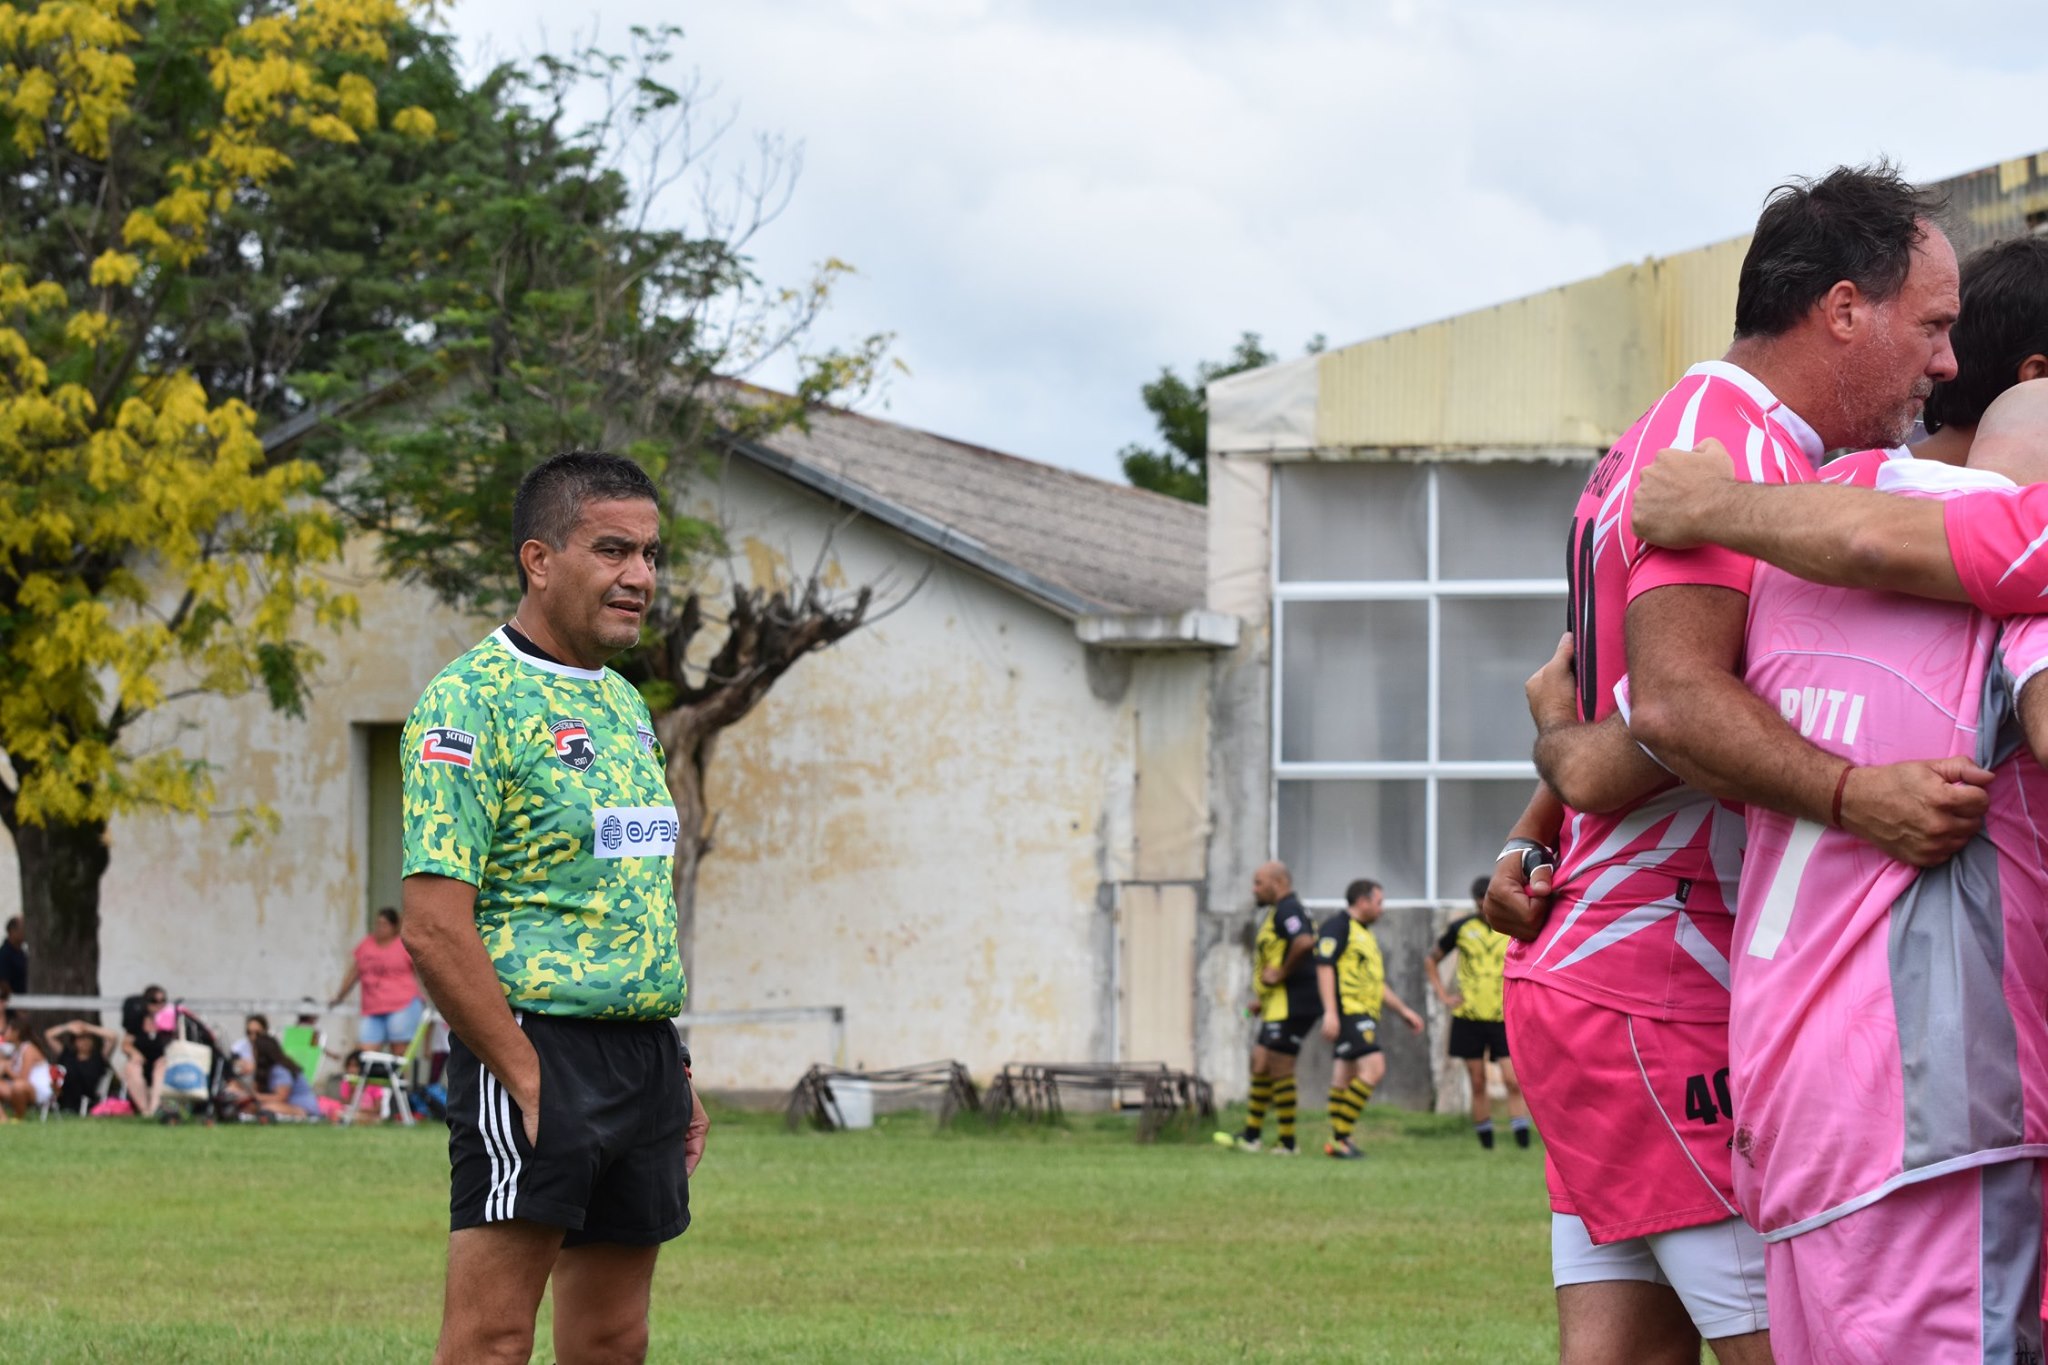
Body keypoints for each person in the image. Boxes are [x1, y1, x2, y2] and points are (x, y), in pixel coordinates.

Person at [1486, 163, 1981, 1365]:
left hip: (1618, 971)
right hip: (1665, 977)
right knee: (1803, 1344)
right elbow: (1672, 702)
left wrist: (1536, 816)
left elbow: (1599, 706)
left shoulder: (1681, 438)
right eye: (1930, 325)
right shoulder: (1724, 449)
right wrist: (1856, 796)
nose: (1943, 363)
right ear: (1843, 309)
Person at [1620, 385, 2048, 1361]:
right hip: (1939, 1114)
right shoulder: (2012, 592)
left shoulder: (1805, 526)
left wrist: (1709, 502)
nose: (1935, 356)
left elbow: (1628, 732)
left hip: (1790, 1102)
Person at [400, 450, 707, 1365]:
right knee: (494, 1339)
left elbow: (629, 897)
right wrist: (526, 1074)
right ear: (539, 559)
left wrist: (672, 1063)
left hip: (643, 1054)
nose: (641, 577)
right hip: (535, 1045)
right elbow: (432, 923)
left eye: (651, 553)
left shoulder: (623, 705)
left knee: (615, 1337)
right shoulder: (470, 702)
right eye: (614, 550)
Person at [1214, 860, 1320, 1154]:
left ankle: (1288, 1143)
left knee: (1278, 1066)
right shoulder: (1280, 912)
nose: (1254, 889)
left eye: (1259, 883)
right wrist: (1262, 999)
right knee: (1259, 1063)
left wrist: (1281, 974)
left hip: (1295, 1003)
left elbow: (1303, 942)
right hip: (1277, 1003)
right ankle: (1251, 1136)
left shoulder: (1288, 909)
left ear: (1278, 883)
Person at [1314, 879, 1423, 1160]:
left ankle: (1341, 1140)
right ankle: (1340, 1137)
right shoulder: (1337, 926)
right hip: (1350, 1012)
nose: (1381, 909)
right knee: (1374, 1068)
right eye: (1379, 902)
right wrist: (1330, 1012)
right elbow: (1324, 967)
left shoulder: (1364, 935)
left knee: (1344, 1077)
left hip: (1362, 1012)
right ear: (1362, 901)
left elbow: (1377, 984)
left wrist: (1404, 1011)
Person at [1427, 876, 1529, 1151]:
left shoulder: (1509, 926)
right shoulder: (1461, 928)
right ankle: (1486, 1142)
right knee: (1477, 1080)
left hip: (1501, 1015)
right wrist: (1443, 995)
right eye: (1479, 901)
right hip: (1469, 1015)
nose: (1484, 906)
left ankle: (1522, 1139)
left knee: (1512, 1079)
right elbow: (1431, 959)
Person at [332, 907, 425, 1055]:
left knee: (398, 1055)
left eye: (384, 924)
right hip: (373, 1008)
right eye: (378, 924)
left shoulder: (403, 944)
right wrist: (339, 996)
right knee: (366, 1055)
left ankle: (398, 1078)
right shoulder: (366, 944)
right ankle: (370, 1079)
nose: (380, 928)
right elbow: (353, 973)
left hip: (402, 1004)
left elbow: (421, 972)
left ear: (394, 927)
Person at [44, 1018, 120, 1116]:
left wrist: (87, 1028)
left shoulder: (99, 1057)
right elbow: (48, 1035)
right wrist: (68, 1027)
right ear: (74, 1042)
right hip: (65, 1092)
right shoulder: (67, 1055)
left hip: (87, 1094)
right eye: (81, 1039)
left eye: (88, 1038)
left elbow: (113, 1036)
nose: (85, 1042)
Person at [119, 985, 172, 1116]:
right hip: (143, 1064)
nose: (159, 1005)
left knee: (162, 1067)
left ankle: (154, 1109)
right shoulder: (137, 1022)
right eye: (154, 1001)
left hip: (162, 1064)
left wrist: (167, 1057)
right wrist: (134, 1053)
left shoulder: (171, 1023)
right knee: (131, 1067)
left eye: (162, 1001)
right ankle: (145, 1110)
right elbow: (125, 1044)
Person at [248, 1032, 319, 1119]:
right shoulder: (268, 1070)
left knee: (266, 1107)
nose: (252, 1053)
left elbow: (281, 1097)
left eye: (254, 1049)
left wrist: (257, 1097)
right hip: (288, 1104)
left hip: (302, 1106)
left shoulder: (280, 1070)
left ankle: (302, 1114)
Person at [0, 1012, 52, 1119]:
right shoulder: (15, 1050)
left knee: (18, 1086)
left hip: (38, 1090)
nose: (5, 1033)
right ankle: (3, 1118)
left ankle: (18, 1118)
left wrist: (7, 1069)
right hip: (21, 1086)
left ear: (16, 1032)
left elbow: (23, 1079)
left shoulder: (28, 1049)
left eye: (8, 1030)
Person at [0, 916, 26, 992]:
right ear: (12, 931)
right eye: (23, 929)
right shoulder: (5, 954)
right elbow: (3, 982)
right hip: (15, 1001)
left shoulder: (21, 952)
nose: (25, 932)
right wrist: (15, 999)